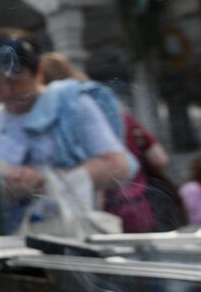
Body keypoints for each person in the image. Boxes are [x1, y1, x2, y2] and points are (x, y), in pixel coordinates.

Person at [0, 30, 133, 231]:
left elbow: (118, 167)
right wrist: (1, 188)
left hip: (72, 232)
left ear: (39, 72)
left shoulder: (72, 105)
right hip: (8, 238)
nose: (7, 91)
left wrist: (48, 181)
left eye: (16, 80)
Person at [38, 51, 158, 233]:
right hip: (138, 203)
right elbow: (159, 158)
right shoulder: (118, 113)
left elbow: (107, 169)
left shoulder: (70, 114)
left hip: (110, 210)